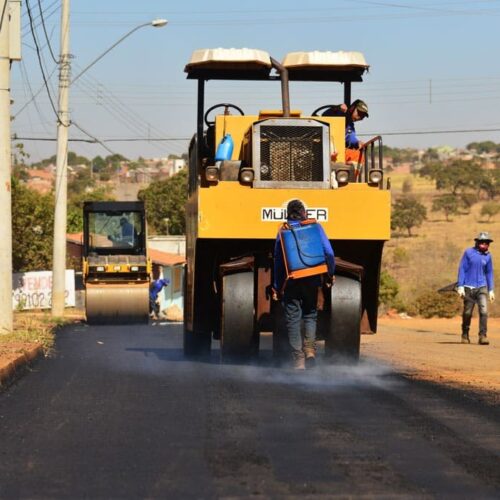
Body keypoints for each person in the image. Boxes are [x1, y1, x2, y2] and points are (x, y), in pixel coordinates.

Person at [273, 199, 335, 369]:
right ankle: (310, 351)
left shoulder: (283, 231)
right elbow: (329, 252)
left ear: (287, 214)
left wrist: (278, 287)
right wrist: (329, 273)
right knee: (310, 314)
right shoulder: (316, 227)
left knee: (293, 319)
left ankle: (298, 359)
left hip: (291, 280)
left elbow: (279, 262)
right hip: (312, 279)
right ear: (304, 213)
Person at [456, 232, 495, 345]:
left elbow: (489, 273)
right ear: (477, 242)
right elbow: (462, 269)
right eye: (482, 242)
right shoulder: (469, 253)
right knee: (467, 313)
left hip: (482, 288)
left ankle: (483, 336)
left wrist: (491, 289)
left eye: (487, 242)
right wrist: (460, 286)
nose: (484, 244)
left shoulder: (488, 256)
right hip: (468, 287)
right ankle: (465, 334)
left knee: (484, 312)